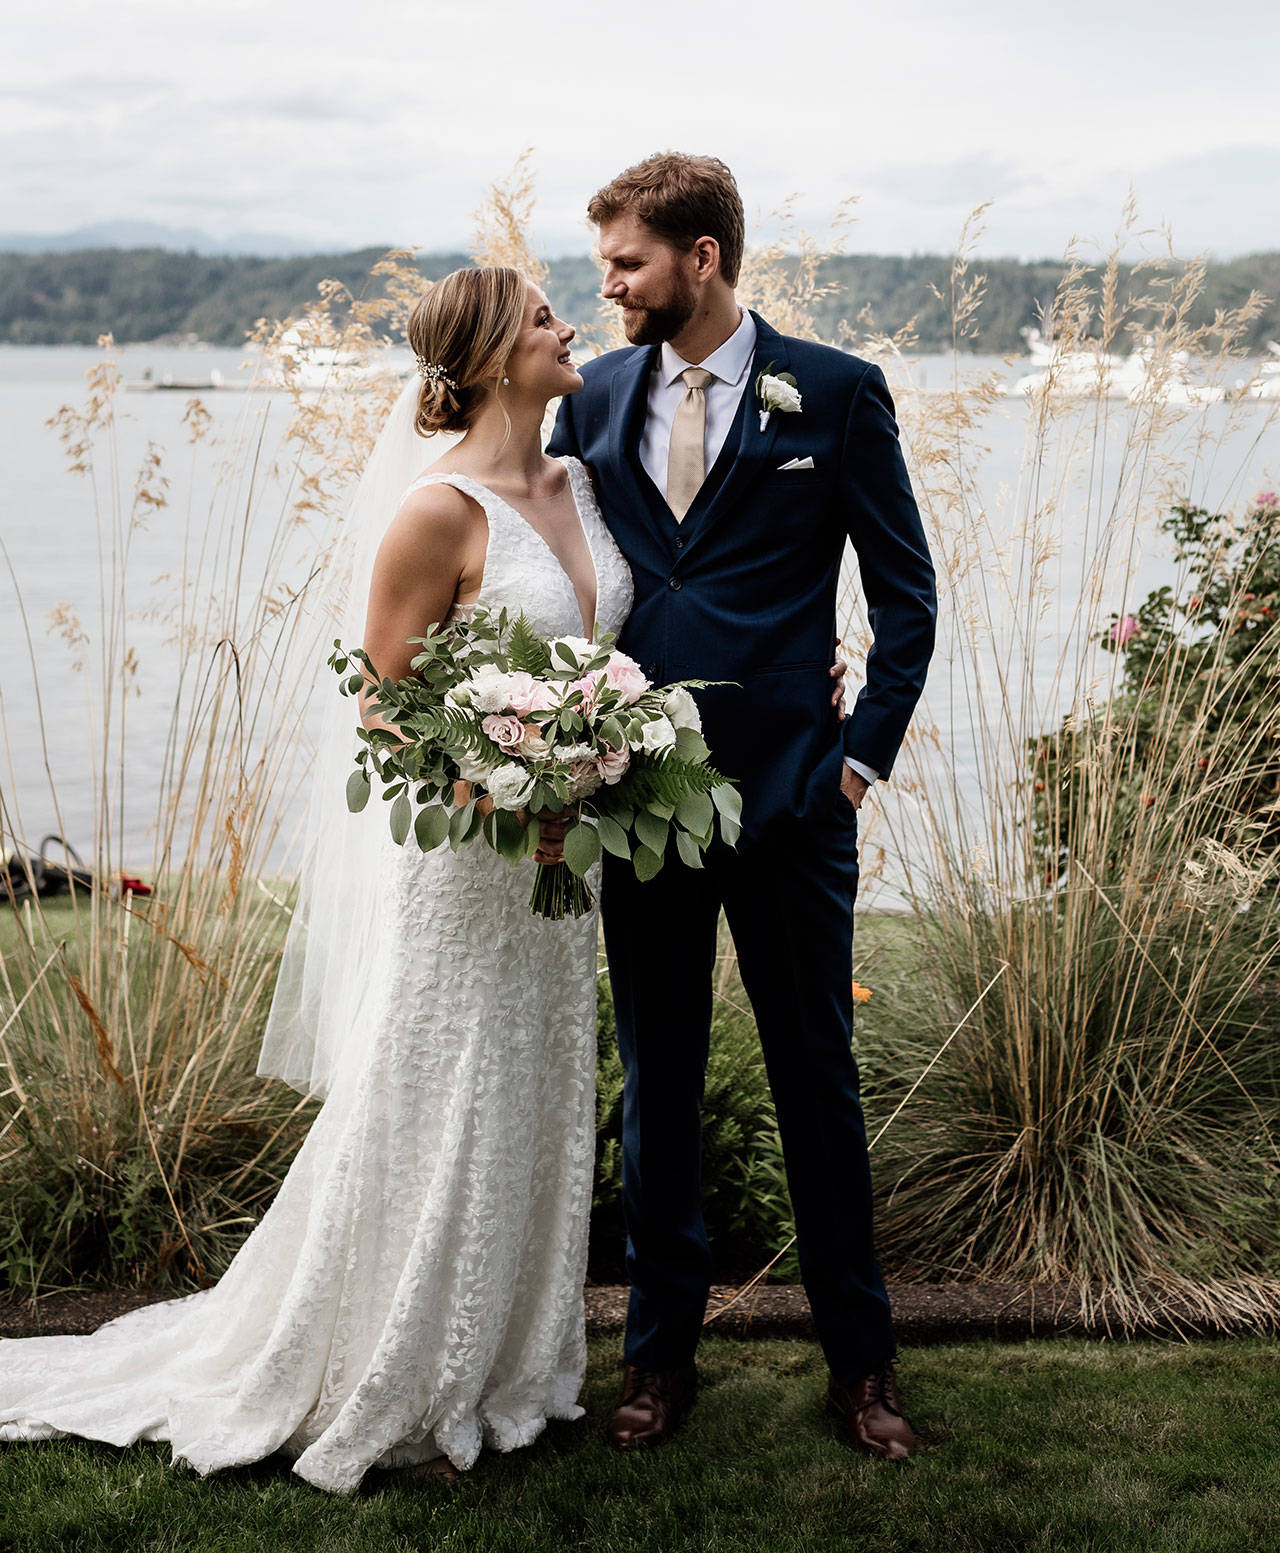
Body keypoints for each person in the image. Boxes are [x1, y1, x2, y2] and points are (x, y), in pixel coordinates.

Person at [0, 266, 635, 1492]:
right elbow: (382, 702)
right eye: (548, 318)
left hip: (566, 864)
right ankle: (392, 1362)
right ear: (499, 356)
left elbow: (607, 654)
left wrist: (598, 764)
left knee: (536, 1088)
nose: (572, 330)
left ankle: (511, 1360)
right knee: (437, 1088)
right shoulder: (438, 512)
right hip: (468, 859)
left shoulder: (582, 483)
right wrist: (509, 780)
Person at [547, 152, 937, 1461]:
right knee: (655, 1086)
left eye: (629, 264)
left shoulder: (834, 392)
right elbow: (569, 583)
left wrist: (857, 760)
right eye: (604, 267)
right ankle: (657, 1361)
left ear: (702, 257)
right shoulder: (590, 399)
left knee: (816, 1082)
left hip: (793, 802)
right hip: (637, 799)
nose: (606, 289)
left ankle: (864, 1365)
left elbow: (907, 600)